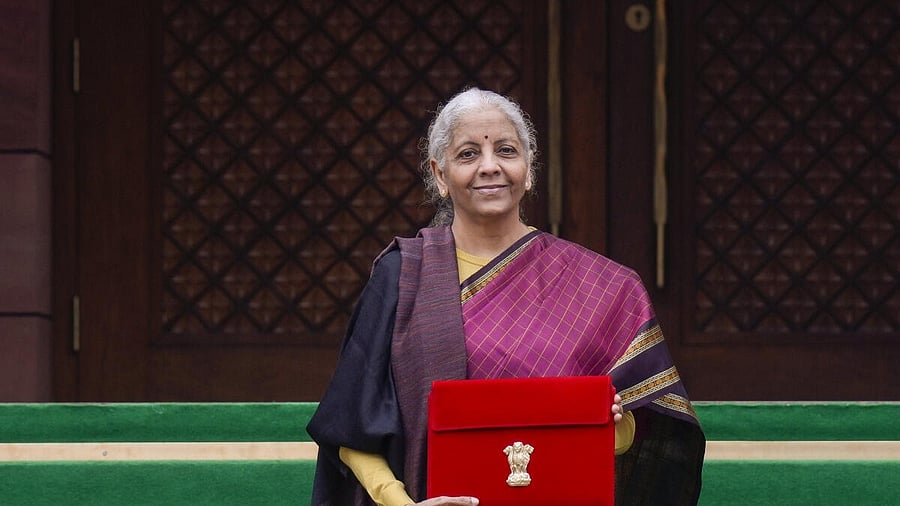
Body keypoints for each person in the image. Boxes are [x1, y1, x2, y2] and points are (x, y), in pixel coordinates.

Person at [306, 87, 705, 506]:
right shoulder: (403, 275)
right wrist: (400, 504)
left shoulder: (605, 287)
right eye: (468, 154)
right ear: (440, 175)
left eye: (506, 150)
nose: (490, 166)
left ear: (528, 169)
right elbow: (349, 421)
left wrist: (611, 424)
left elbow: (648, 432)